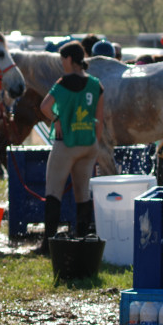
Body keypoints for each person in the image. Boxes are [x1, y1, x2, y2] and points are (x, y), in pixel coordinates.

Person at [36, 41, 104, 254]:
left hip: (66, 143)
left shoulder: (63, 83)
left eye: (62, 60)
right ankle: (82, 239)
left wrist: (57, 119)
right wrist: (95, 144)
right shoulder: (96, 84)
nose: (61, 64)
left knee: (53, 191)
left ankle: (48, 244)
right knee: (82, 193)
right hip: (89, 144)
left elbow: (44, 107)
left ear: (68, 59)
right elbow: (99, 120)